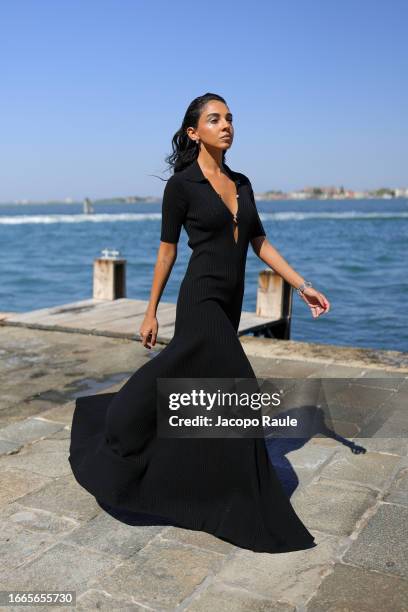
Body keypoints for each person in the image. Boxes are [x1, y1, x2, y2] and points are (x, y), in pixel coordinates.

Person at [69, 92, 330, 554]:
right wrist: (150, 310)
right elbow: (167, 250)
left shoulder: (243, 183)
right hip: (200, 300)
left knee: (187, 383)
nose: (226, 124)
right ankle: (246, 502)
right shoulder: (182, 186)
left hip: (229, 303)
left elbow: (260, 241)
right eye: (215, 119)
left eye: (230, 118)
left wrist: (300, 284)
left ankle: (176, 462)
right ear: (194, 132)